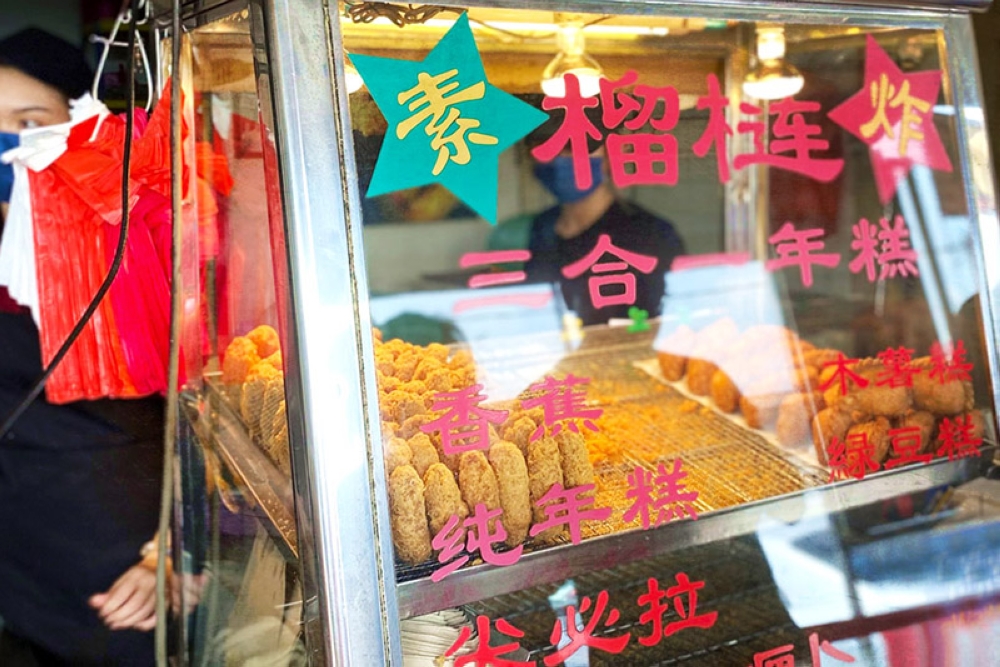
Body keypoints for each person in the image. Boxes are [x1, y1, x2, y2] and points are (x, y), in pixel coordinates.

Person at [0, 28, 163, 666]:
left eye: (28, 122)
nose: (7, 145)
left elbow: (209, 416)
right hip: (25, 579)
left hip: (132, 579)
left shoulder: (135, 240)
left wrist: (179, 551)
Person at [524, 110, 685, 327]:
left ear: (611, 155)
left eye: (576, 146)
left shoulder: (651, 234)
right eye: (547, 147)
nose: (562, 157)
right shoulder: (542, 228)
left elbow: (667, 324)